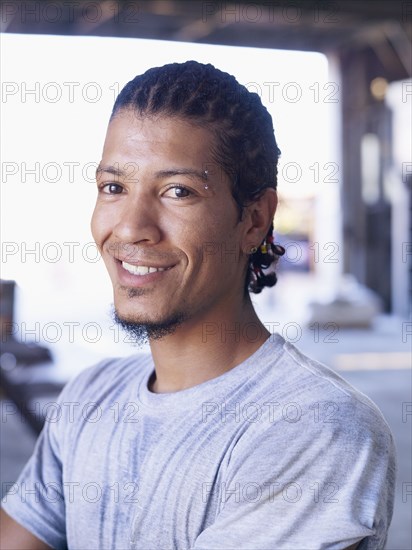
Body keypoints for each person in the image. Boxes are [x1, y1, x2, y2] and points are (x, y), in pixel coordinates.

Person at [1, 61, 395, 550]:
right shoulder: (90, 396)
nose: (129, 227)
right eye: (114, 188)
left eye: (177, 191)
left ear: (254, 220)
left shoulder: (315, 427)